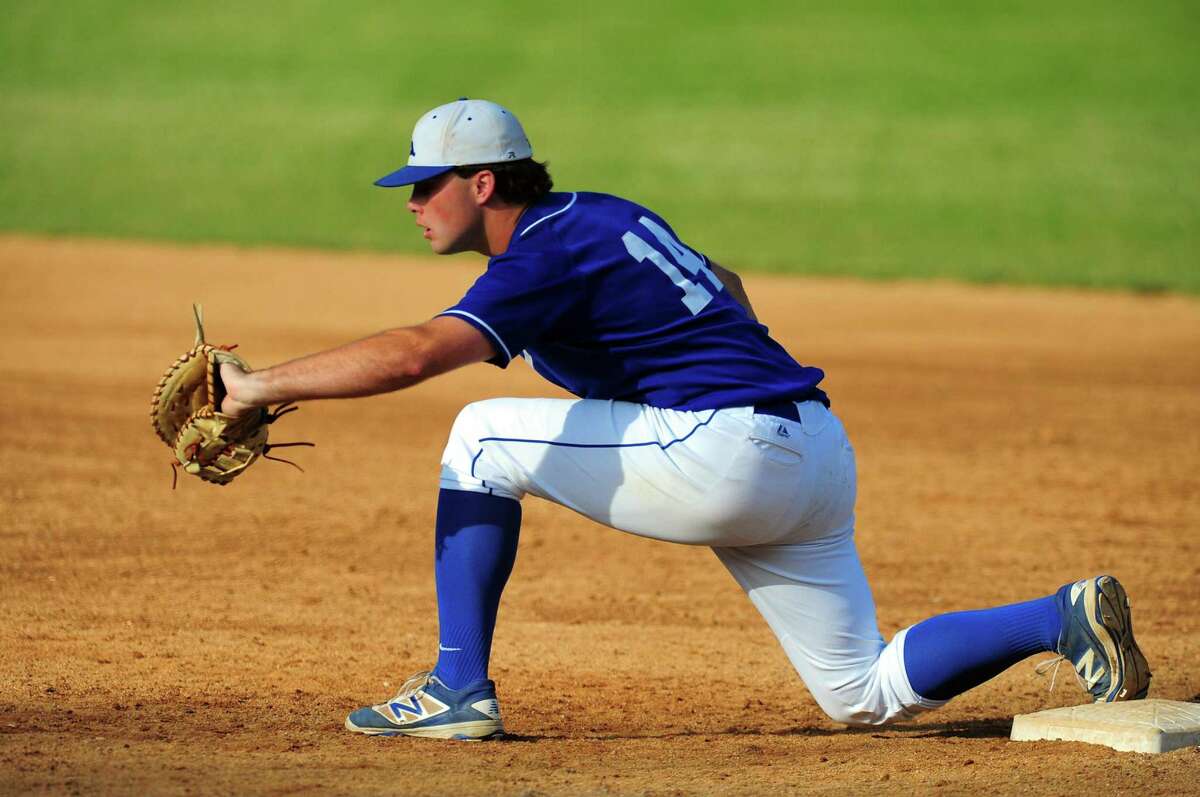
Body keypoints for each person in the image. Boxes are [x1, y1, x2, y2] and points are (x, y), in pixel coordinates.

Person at [219, 98, 1151, 740]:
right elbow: (729, 286)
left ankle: (457, 685)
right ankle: (1059, 616)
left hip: (730, 452)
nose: (414, 201)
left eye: (429, 183)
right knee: (859, 693)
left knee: (479, 435)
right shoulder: (603, 215)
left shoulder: (540, 252)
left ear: (485, 184)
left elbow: (422, 352)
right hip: (814, 449)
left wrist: (258, 387)